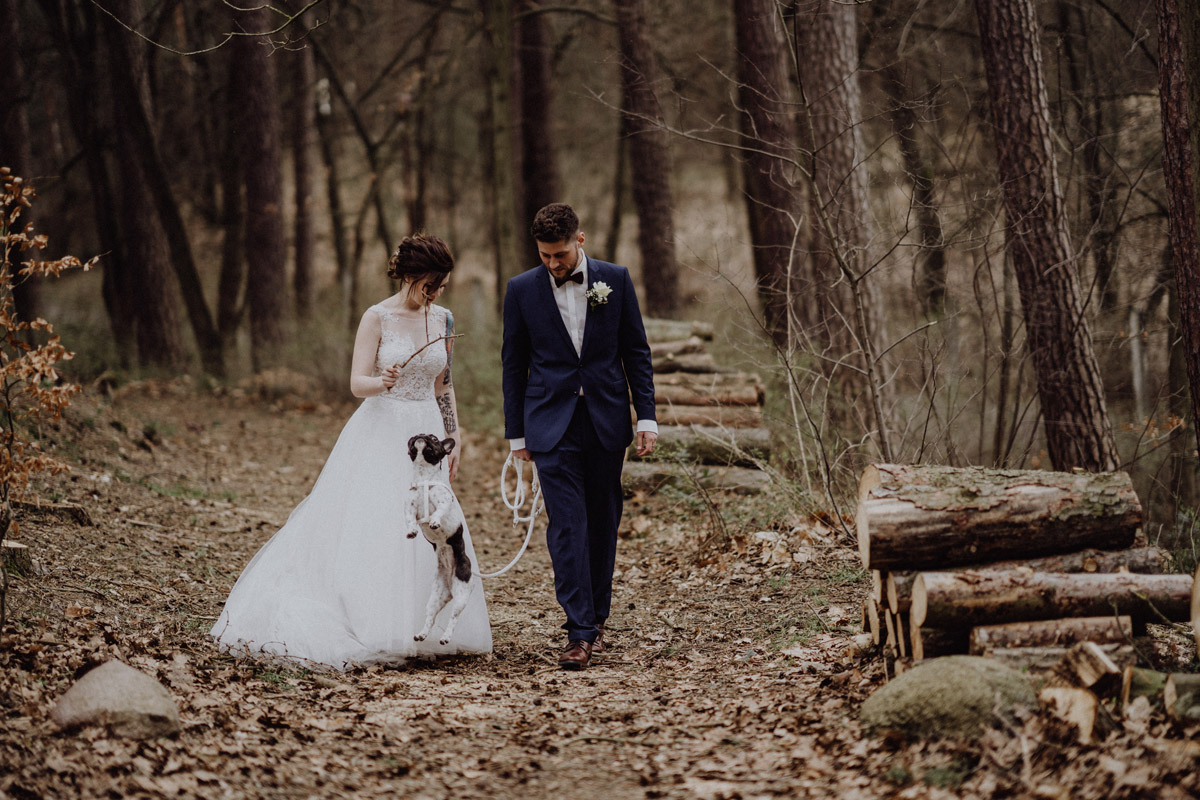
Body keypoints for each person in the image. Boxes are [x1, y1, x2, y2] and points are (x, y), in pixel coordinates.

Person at [211, 234, 492, 671]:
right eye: (430, 285)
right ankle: (374, 622)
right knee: (378, 521)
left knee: (432, 525)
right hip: (382, 428)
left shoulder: (445, 319)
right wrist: (384, 380)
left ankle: (429, 626)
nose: (436, 294)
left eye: (441, 286)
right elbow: (356, 383)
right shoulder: (377, 317)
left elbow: (445, 384)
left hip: (428, 434)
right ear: (411, 276)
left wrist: (454, 437)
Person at [501, 203, 657, 670]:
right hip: (550, 424)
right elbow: (513, 365)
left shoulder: (617, 279)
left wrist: (645, 417)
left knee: (602, 521)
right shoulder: (520, 290)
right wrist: (516, 435)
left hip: (607, 419)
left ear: (580, 240)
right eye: (545, 256)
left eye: (561, 255)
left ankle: (597, 617)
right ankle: (579, 630)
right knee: (567, 525)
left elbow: (636, 352)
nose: (553, 264)